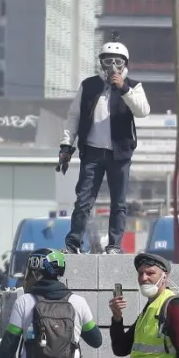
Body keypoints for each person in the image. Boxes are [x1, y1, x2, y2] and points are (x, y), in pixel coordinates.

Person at [59, 37, 150, 255]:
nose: (112, 67)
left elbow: (143, 111)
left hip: (120, 154)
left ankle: (114, 245)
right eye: (107, 61)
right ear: (100, 63)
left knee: (118, 202)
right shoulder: (89, 86)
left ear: (125, 64)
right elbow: (73, 117)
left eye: (118, 62)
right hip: (92, 152)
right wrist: (65, 146)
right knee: (83, 200)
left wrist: (124, 88)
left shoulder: (134, 86)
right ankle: (73, 243)